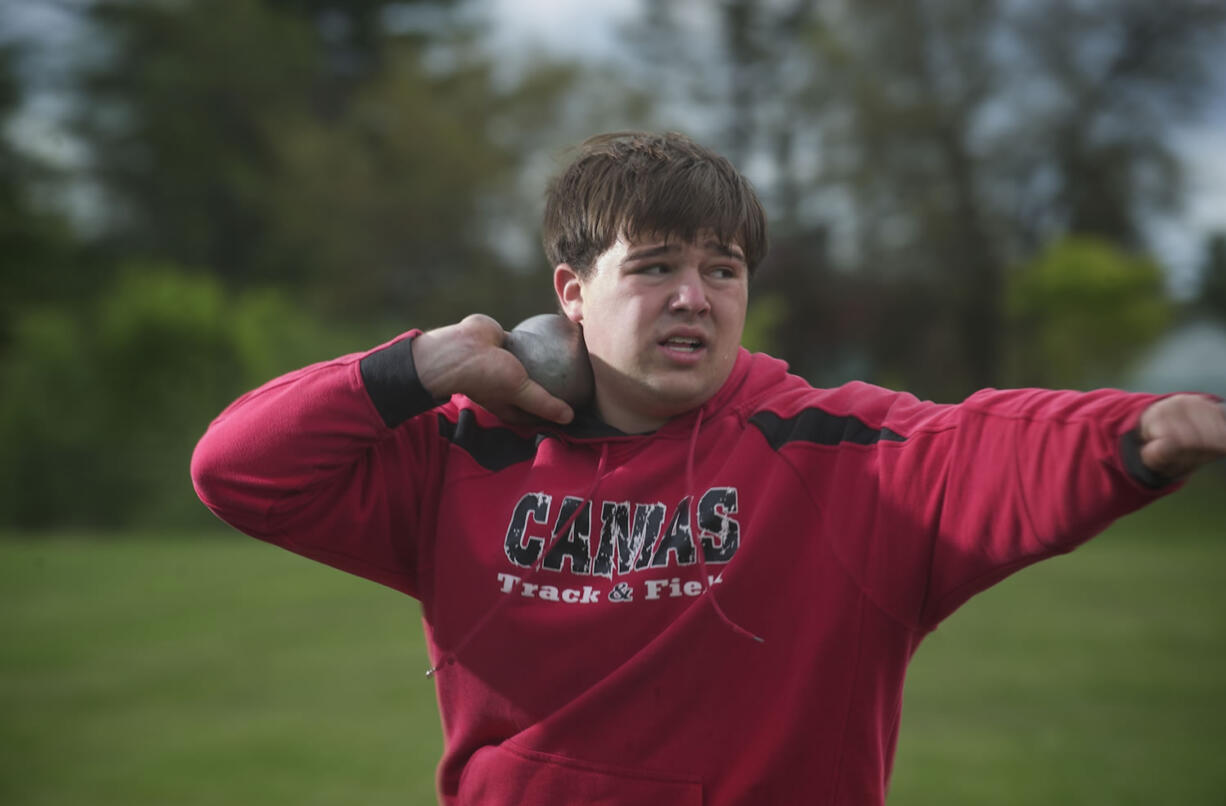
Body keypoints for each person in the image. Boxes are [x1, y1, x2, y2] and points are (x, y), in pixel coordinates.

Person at [190, 131, 1226, 805]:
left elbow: (989, 443)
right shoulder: (463, 447)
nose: (694, 296)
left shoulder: (837, 457)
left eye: (719, 270)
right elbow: (241, 468)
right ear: (571, 293)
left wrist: (1151, 429)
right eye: (653, 267)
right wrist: (416, 366)